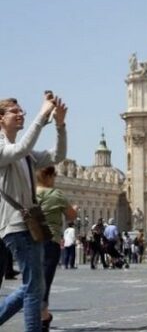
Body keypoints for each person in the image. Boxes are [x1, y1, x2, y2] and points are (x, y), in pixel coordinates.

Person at [0, 93, 67, 332]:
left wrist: (60, 125)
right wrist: (41, 116)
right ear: (0, 118)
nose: (21, 115)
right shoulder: (4, 148)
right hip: (15, 224)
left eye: (22, 112)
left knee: (33, 286)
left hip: (27, 224)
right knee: (33, 289)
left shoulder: (24, 153)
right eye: (14, 112)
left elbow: (57, 156)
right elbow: (19, 149)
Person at [36, 165, 76, 330]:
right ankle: (41, 318)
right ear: (50, 177)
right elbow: (71, 215)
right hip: (50, 241)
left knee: (33, 279)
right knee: (44, 281)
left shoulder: (28, 194)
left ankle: (44, 317)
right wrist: (75, 209)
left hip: (30, 241)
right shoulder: (56, 194)